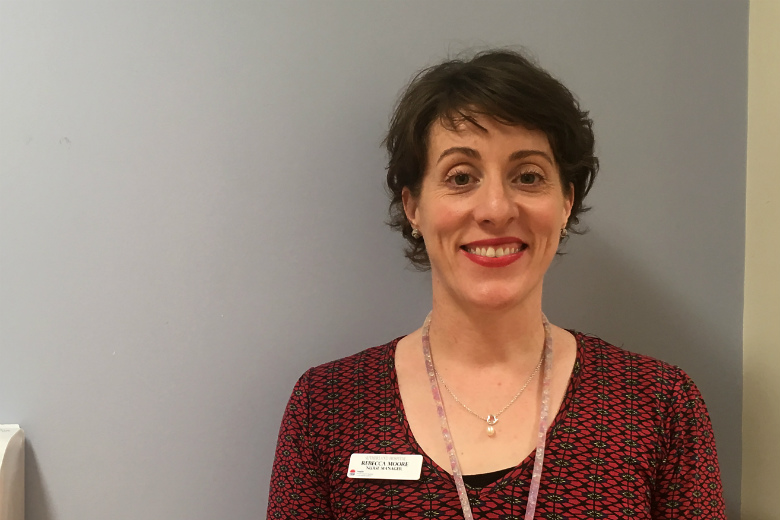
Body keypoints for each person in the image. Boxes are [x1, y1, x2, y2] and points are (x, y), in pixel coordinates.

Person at [266, 49, 725, 519]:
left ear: (566, 202)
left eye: (528, 176)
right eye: (461, 177)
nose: (496, 208)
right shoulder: (326, 407)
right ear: (413, 206)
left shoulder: (657, 404)